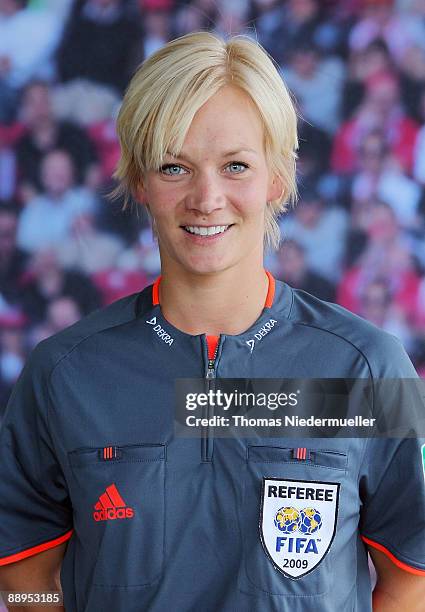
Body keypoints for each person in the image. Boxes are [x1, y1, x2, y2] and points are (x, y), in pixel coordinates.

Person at [0, 31, 424, 612]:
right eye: (175, 166)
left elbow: (412, 578)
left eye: (236, 166)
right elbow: (26, 580)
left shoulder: (368, 369)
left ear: (277, 178)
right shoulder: (62, 374)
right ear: (140, 181)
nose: (207, 197)